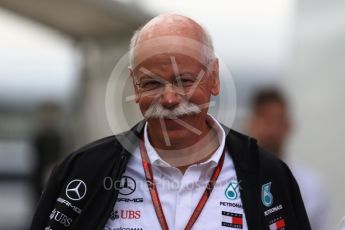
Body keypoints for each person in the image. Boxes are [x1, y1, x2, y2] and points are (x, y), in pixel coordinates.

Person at [30, 14, 311, 230]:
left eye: (184, 80)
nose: (169, 99)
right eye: (151, 83)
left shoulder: (268, 175)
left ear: (213, 78)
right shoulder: (83, 172)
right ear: (134, 86)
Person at [247, 87, 329, 230]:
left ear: (288, 125)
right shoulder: (232, 179)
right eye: (263, 119)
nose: (270, 130)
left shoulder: (311, 185)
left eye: (276, 120)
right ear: (251, 124)